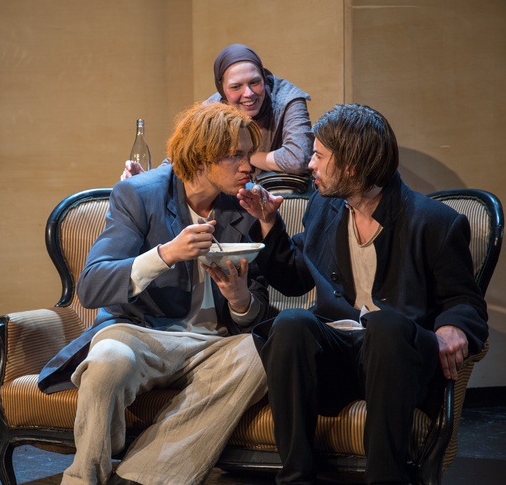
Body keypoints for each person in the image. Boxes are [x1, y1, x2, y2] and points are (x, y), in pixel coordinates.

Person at [237, 103, 488, 484]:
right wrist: (269, 223)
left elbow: (464, 300)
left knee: (385, 326)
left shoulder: (434, 222)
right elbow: (296, 277)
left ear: (351, 166)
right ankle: (295, 477)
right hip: (339, 355)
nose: (310, 165)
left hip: (398, 361)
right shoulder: (324, 207)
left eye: (319, 156)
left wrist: (454, 324)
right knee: (290, 323)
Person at [39, 102, 271, 485]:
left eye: (250, 154)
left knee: (261, 355)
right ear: (201, 156)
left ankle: (143, 477)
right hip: (140, 332)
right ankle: (84, 478)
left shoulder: (245, 205)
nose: (250, 166)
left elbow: (257, 309)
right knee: (108, 361)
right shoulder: (140, 194)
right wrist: (165, 254)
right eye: (236, 155)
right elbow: (92, 285)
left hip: (211, 344)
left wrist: (239, 299)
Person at [122, 43, 313, 180]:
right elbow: (179, 160)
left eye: (255, 82)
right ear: (222, 89)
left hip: (283, 198)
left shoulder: (289, 99)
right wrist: (146, 180)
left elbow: (297, 159)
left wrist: (242, 155)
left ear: (264, 78)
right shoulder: (212, 109)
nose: (248, 93)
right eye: (236, 87)